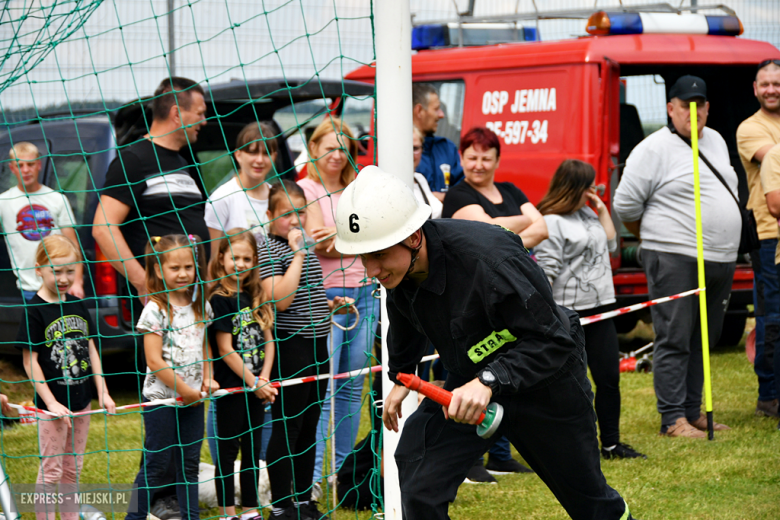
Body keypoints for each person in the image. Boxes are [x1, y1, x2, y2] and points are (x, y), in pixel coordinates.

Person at [333, 166, 637, 520]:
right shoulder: (400, 272)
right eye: (364, 257)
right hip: (470, 386)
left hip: (546, 383)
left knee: (591, 503)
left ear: (414, 237)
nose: (371, 270)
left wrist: (490, 381)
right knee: (420, 483)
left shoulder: (492, 259)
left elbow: (552, 340)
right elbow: (404, 314)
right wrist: (402, 375)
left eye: (379, 255)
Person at [614, 75, 738, 438]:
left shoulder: (714, 139)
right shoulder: (654, 148)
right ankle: (672, 419)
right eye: (686, 105)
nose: (693, 112)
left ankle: (691, 409)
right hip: (674, 257)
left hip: (720, 258)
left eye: (700, 105)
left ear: (708, 109)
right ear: (671, 109)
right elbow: (625, 204)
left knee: (704, 338)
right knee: (675, 336)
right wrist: (653, 236)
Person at [535, 159, 646, 460]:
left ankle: (611, 444)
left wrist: (602, 209)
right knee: (573, 387)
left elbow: (611, 246)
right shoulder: (551, 221)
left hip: (602, 310)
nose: (594, 189)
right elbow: (546, 270)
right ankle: (572, 449)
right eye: (590, 185)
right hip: (569, 315)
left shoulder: (587, 212)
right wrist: (546, 317)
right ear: (575, 187)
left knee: (609, 378)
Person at [259, 181, 351, 520]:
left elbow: (302, 295)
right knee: (289, 426)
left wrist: (329, 306)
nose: (295, 220)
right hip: (291, 347)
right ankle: (281, 506)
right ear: (270, 215)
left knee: (311, 425)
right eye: (286, 214)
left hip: (317, 346)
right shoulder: (269, 249)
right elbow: (279, 299)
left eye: (300, 212)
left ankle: (302, 500)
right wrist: (298, 253)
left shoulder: (304, 249)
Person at [298, 117, 378, 488]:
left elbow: (371, 233)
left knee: (352, 387)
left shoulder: (358, 188)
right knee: (325, 388)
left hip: (366, 291)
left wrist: (339, 235)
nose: (336, 154)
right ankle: (314, 475)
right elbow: (318, 243)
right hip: (326, 298)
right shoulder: (305, 189)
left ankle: (341, 474)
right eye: (329, 146)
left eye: (343, 147)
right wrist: (354, 233)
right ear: (314, 148)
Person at [15, 234, 115, 520]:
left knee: (73, 469)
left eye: (70, 271)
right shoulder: (34, 310)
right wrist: (50, 403)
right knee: (51, 471)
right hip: (52, 409)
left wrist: (103, 392)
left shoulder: (78, 304)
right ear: (39, 268)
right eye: (55, 271)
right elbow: (29, 362)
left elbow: (92, 351)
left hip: (82, 403)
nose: (63, 277)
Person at [93, 76, 209, 318]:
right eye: (199, 113)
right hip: (161, 303)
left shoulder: (182, 162)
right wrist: (142, 282)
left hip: (192, 299)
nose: (204, 121)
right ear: (177, 113)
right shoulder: (133, 159)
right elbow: (103, 228)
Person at [127, 234, 217, 520]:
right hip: (162, 400)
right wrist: (184, 391)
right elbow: (154, 360)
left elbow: (205, 345)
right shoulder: (155, 309)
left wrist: (208, 378)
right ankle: (134, 517)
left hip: (193, 399)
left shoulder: (200, 304)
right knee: (156, 464)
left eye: (188, 267)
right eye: (175, 268)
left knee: (189, 465)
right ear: (158, 269)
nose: (183, 274)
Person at [207, 229, 277, 520]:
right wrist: (252, 382)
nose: (240, 264)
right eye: (234, 257)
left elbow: (269, 341)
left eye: (247, 258)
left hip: (257, 388)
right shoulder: (218, 299)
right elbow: (224, 348)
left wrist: (264, 380)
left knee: (252, 451)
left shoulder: (254, 295)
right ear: (222, 257)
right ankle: (228, 513)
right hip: (232, 389)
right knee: (227, 453)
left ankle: (250, 510)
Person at [737, 59, 780, 419]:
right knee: (772, 315)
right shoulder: (751, 128)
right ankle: (769, 395)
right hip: (769, 234)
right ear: (755, 88)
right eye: (765, 84)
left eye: (777, 83)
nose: (771, 90)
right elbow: (774, 161)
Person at [1, 142, 83, 300]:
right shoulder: (4, 201)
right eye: (20, 165)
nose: (26, 170)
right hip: (29, 288)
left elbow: (73, 244)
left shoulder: (57, 199)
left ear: (39, 165)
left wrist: (77, 282)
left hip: (61, 284)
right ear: (12, 168)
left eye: (30, 164)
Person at [441, 127, 548, 248]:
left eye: (486, 159)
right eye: (472, 158)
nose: (479, 165)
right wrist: (526, 220)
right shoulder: (456, 195)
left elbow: (542, 230)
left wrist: (502, 246)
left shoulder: (510, 190)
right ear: (462, 159)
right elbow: (488, 230)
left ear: (497, 160)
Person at [205, 123, 278, 255]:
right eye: (253, 152)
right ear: (238, 155)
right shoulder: (221, 198)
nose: (260, 160)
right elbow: (213, 260)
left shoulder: (278, 196)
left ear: (274, 157)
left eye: (266, 153)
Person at [412, 83, 463, 201]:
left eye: (417, 148)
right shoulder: (398, 153)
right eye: (436, 109)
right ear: (419, 111)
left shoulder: (447, 148)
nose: (441, 114)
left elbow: (464, 190)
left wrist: (443, 197)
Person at [412, 127, 443, 219]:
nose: (409, 153)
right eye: (403, 148)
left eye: (415, 148)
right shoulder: (385, 183)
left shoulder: (419, 178)